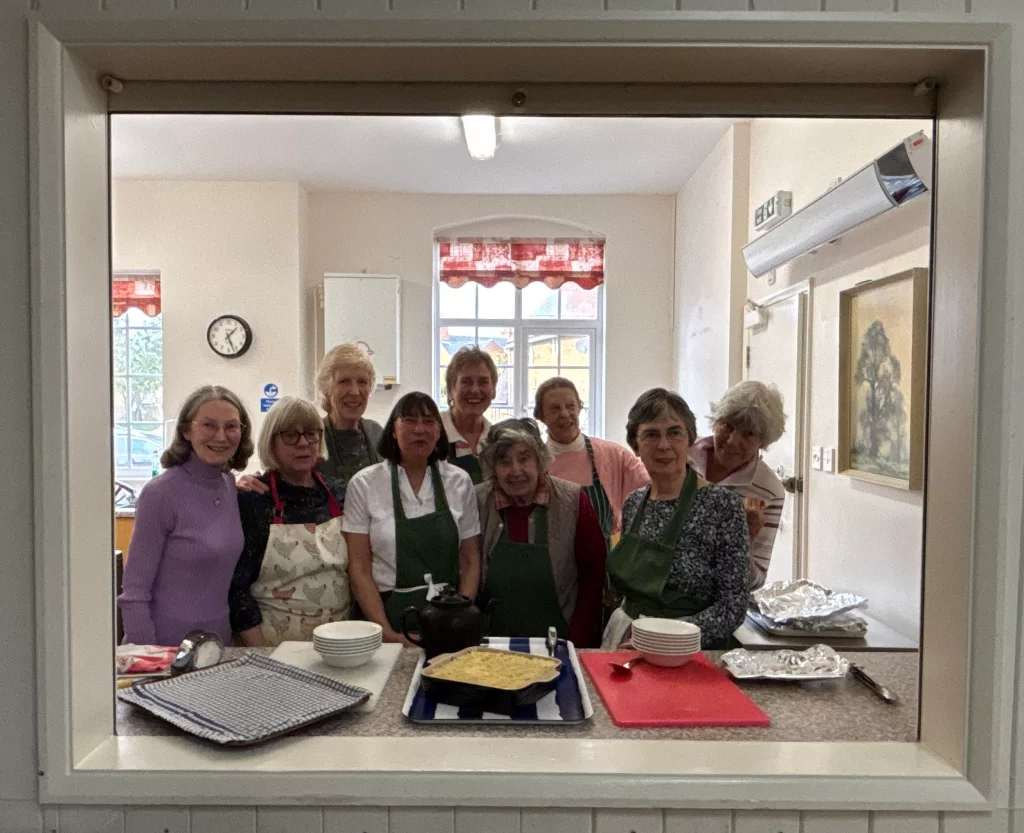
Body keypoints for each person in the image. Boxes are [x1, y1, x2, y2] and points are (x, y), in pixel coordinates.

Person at [601, 388, 749, 651]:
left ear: (690, 439)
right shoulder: (634, 502)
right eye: (651, 434)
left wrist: (663, 637)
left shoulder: (722, 506)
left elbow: (732, 606)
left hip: (686, 650)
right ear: (635, 446)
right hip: (627, 639)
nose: (663, 445)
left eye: (674, 432)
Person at [118, 386, 253, 646]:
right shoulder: (160, 494)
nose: (221, 436)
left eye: (231, 426)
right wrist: (147, 656)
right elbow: (134, 593)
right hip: (163, 647)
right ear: (186, 431)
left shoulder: (230, 487)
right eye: (208, 425)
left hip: (217, 646)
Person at [343, 392, 482, 644]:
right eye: (409, 420)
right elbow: (359, 567)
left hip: (447, 616)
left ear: (439, 432)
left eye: (429, 421)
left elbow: (470, 560)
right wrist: (386, 632)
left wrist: (460, 614)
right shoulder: (365, 484)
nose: (420, 429)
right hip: (385, 615)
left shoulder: (459, 482)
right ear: (393, 430)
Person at [229, 397, 350, 647]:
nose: (303, 443)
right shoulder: (254, 500)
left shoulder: (340, 493)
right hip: (274, 645)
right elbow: (236, 590)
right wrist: (263, 653)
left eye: (311, 433)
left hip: (340, 643)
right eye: (290, 435)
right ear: (270, 442)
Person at [476, 419, 607, 647]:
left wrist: (575, 643)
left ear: (539, 459)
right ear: (493, 468)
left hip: (560, 642)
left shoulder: (572, 500)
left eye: (524, 458)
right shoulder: (477, 501)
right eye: (504, 462)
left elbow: (593, 578)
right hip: (490, 644)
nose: (515, 471)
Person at [237, 343, 383, 492]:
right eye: (344, 382)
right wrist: (251, 483)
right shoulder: (310, 436)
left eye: (362, 382)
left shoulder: (377, 433)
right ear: (326, 388)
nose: (355, 392)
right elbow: (278, 480)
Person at [687, 380, 787, 590]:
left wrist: (744, 542)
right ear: (716, 421)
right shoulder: (683, 456)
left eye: (748, 434)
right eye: (728, 426)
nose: (732, 441)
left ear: (763, 441)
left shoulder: (769, 490)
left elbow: (755, 582)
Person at [534, 376, 649, 545]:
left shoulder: (613, 455)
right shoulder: (535, 464)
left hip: (602, 559)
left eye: (570, 406)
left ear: (580, 408)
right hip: (552, 558)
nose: (564, 414)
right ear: (541, 416)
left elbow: (652, 486)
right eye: (555, 408)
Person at [441, 346, 497, 484]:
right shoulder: (432, 434)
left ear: (494, 390)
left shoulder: (496, 440)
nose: (475, 390)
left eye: (483, 382)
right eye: (466, 382)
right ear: (450, 390)